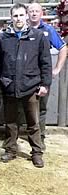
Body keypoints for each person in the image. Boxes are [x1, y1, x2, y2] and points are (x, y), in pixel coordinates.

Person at [0, 3, 52, 168]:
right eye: (15, 16)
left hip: (31, 86)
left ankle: (37, 152)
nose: (18, 18)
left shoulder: (39, 36)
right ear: (11, 18)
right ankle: (10, 150)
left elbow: (45, 62)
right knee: (10, 122)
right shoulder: (3, 38)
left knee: (33, 122)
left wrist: (45, 84)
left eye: (20, 15)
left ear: (26, 16)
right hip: (9, 85)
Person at [27, 1, 67, 150]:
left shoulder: (48, 30)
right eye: (31, 11)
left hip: (42, 76)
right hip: (26, 76)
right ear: (27, 13)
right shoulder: (23, 29)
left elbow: (63, 48)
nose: (34, 13)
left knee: (42, 108)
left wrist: (57, 69)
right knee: (23, 107)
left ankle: (40, 137)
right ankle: (23, 136)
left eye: (37, 11)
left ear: (41, 13)